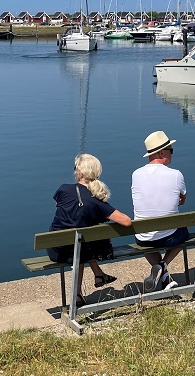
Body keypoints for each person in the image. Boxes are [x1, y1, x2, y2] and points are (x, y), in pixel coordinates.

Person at [47, 153, 131, 307]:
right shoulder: (97, 201)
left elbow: (63, 213)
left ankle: (95, 278)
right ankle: (92, 280)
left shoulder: (63, 190)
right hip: (78, 252)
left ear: (79, 173)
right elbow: (126, 221)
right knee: (82, 243)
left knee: (79, 242)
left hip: (55, 250)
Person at [131, 130, 187, 292]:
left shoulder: (136, 174)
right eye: (171, 150)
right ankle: (163, 265)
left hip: (142, 238)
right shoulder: (176, 175)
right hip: (169, 238)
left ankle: (163, 274)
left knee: (146, 237)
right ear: (162, 152)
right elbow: (182, 199)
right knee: (184, 229)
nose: (172, 154)